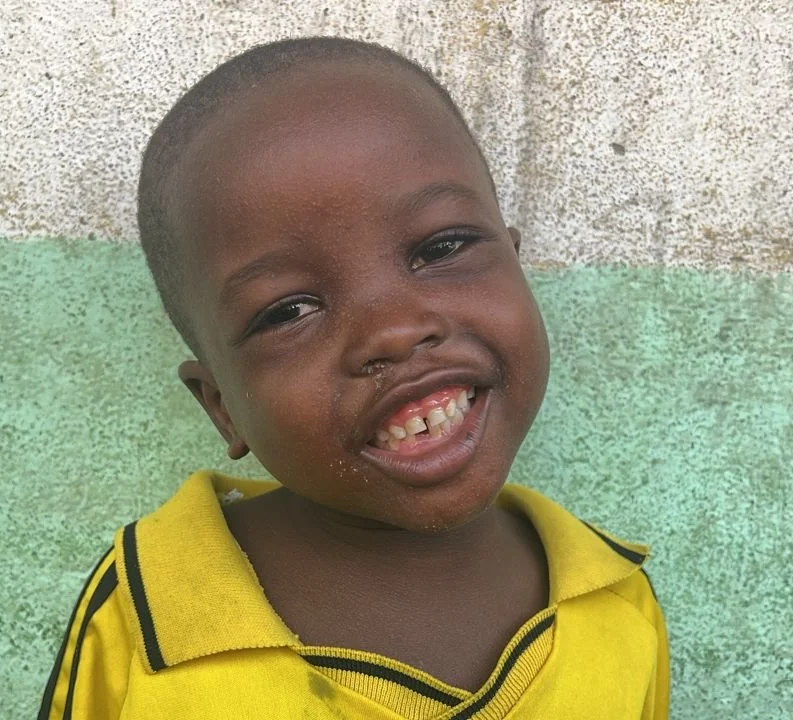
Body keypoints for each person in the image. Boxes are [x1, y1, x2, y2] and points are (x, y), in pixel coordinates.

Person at [38, 36, 669, 720]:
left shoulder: (617, 605)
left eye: (442, 247)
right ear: (223, 409)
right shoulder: (146, 610)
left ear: (516, 266)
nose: (393, 331)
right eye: (289, 311)